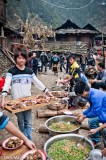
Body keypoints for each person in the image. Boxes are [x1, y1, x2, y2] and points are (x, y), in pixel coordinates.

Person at [1, 50, 52, 141]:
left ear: (26, 59)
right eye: (19, 58)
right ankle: (24, 139)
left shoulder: (29, 71)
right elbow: (7, 84)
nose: (21, 60)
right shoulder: (11, 71)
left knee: (28, 122)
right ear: (16, 59)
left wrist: (47, 91)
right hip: (16, 102)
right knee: (21, 122)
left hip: (28, 101)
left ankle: (29, 139)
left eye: (23, 58)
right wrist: (3, 98)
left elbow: (37, 82)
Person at [74, 80, 106, 146]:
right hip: (102, 109)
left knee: (92, 122)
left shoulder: (95, 96)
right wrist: (83, 114)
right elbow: (92, 107)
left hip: (103, 111)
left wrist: (84, 116)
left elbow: (96, 112)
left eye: (81, 94)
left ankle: (97, 141)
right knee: (92, 121)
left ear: (84, 91)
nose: (81, 96)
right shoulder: (89, 93)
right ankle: (98, 134)